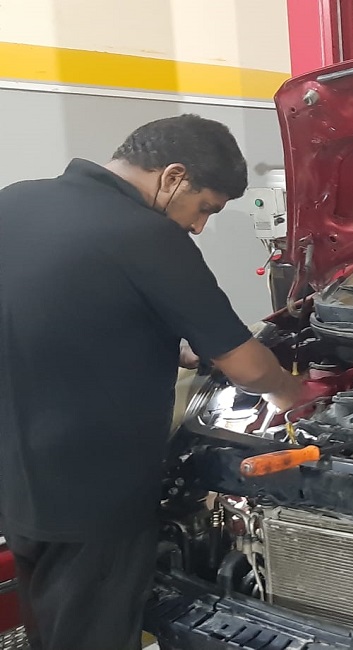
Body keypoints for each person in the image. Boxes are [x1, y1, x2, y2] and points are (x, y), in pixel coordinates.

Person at [0, 114, 304, 649]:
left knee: (51, 623)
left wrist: (160, 345)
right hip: (96, 493)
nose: (199, 227)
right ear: (173, 177)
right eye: (205, 208)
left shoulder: (16, 200)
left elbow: (55, 312)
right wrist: (294, 393)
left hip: (19, 478)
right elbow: (250, 368)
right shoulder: (148, 235)